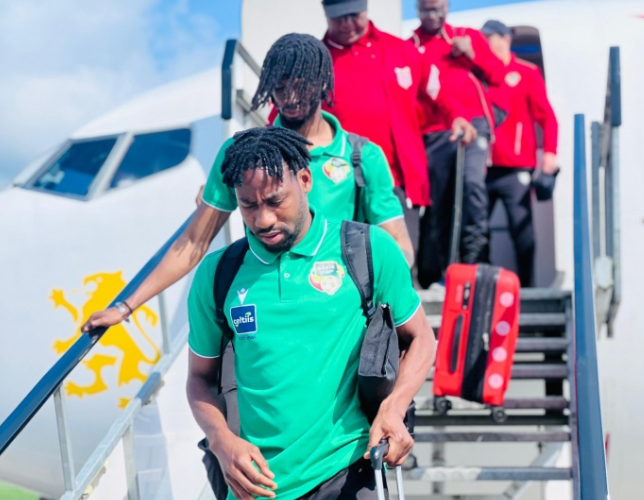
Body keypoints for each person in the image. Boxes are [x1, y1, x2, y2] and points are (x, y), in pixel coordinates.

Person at [82, 33, 417, 499]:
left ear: (324, 84)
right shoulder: (243, 158)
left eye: (300, 85)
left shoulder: (361, 156)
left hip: (337, 312)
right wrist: (126, 306)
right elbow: (194, 242)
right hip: (265, 306)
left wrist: (378, 279)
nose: (289, 97)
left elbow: (396, 244)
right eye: (278, 87)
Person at [187, 125, 435, 500]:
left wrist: (393, 406)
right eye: (248, 205)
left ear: (305, 180)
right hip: (259, 485)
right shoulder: (217, 273)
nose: (263, 219)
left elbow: (421, 338)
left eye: (275, 200)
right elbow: (199, 379)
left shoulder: (368, 249)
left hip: (349, 469)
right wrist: (221, 440)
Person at [320, 0, 477, 256]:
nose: (347, 24)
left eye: (353, 15)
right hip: (338, 184)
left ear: (365, 9)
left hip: (397, 183)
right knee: (345, 265)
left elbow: (437, 91)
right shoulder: (317, 60)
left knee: (400, 262)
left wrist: (457, 117)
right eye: (339, 17)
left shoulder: (401, 50)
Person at [411, 0, 508, 287]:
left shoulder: (467, 36)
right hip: (433, 131)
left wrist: (472, 54)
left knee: (471, 186)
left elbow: (498, 75)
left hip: (474, 124)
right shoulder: (411, 46)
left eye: (439, 8)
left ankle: (476, 264)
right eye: (427, 9)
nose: (433, 15)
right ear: (418, 9)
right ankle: (445, 272)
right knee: (440, 201)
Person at [482, 20, 559, 287]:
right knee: (477, 231)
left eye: (488, 38)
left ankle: (526, 289)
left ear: (504, 39)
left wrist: (550, 153)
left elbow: (547, 117)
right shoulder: (479, 75)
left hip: (516, 168)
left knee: (522, 230)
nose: (485, 44)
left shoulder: (526, 72)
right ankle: (484, 286)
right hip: (482, 168)